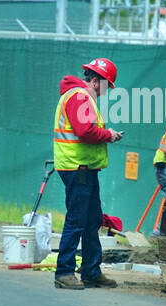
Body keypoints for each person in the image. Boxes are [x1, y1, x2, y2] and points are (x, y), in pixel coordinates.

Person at [52, 57, 123, 290]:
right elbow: (84, 131)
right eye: (106, 86)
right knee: (77, 219)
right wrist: (108, 134)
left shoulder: (81, 96)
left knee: (92, 219)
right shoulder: (80, 97)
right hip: (77, 166)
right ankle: (64, 272)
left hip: (84, 167)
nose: (106, 92)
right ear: (95, 81)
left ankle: (91, 271)